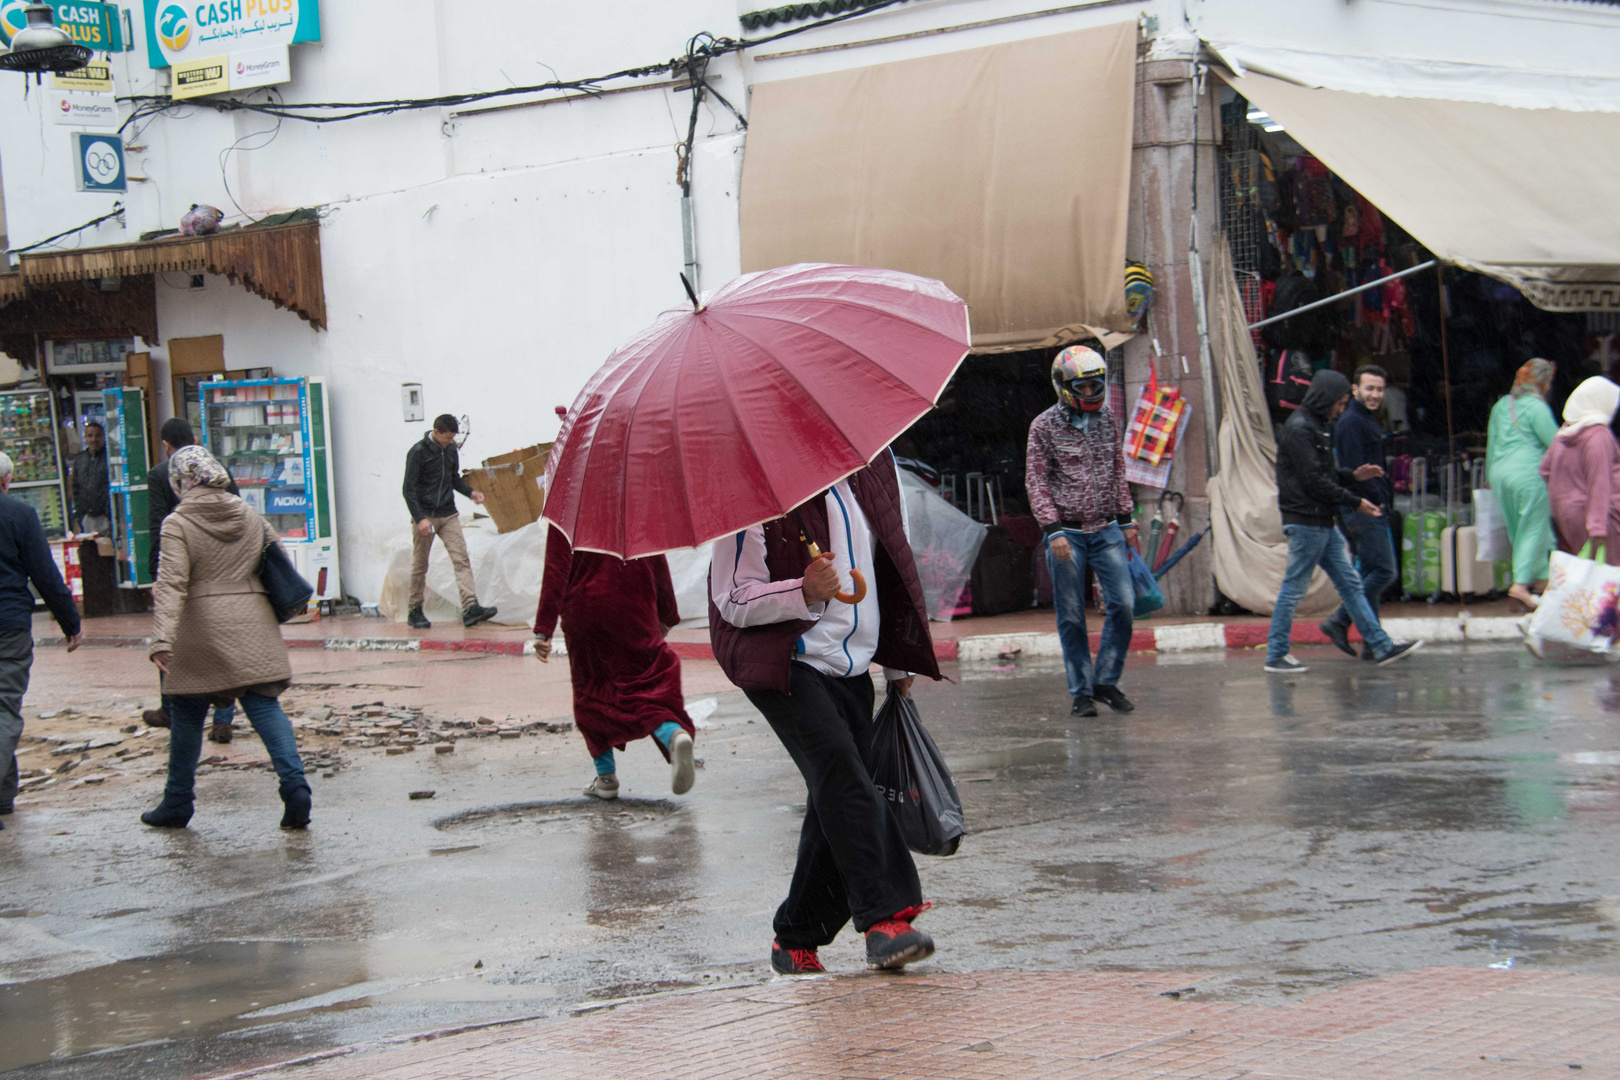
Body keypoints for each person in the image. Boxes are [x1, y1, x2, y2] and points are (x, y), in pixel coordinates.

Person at [709, 451, 940, 976]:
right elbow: (732, 599)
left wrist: (896, 662)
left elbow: (891, 563)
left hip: (850, 662)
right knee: (840, 771)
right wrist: (802, 591)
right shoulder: (754, 491)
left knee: (835, 792)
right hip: (784, 661)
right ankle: (889, 919)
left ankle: (795, 937)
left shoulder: (869, 472)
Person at [141, 445, 311, 830]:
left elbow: (171, 583)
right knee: (266, 706)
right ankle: (295, 786)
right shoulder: (249, 513)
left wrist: (162, 640)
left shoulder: (177, 523)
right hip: (254, 623)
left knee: (186, 711)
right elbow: (277, 557)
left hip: (201, 628)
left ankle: (177, 801)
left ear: (182, 481)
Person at [1266, 370, 1422, 674]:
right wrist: (1355, 500)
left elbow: (1322, 476)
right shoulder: (1300, 429)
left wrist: (1352, 476)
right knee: (1294, 588)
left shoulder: (1315, 425)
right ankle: (1276, 653)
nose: (1341, 408)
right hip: (1307, 521)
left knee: (1351, 584)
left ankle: (1380, 645)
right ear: (1326, 399)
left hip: (1322, 520)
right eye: (1339, 402)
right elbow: (1313, 481)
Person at [532, 526, 695, 799]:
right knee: (646, 681)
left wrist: (543, 629)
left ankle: (605, 777)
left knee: (591, 690)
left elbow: (556, 568)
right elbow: (656, 558)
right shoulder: (635, 501)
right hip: (635, 605)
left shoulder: (569, 506)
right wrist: (667, 613)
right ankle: (671, 733)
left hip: (585, 611)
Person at [1025, 345, 1138, 717]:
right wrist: (1053, 531)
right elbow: (1036, 482)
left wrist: (1127, 519)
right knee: (1072, 615)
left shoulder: (1108, 420)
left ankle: (1106, 680)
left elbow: (1117, 470)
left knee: (1123, 604)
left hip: (1106, 530)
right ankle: (1081, 692)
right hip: (1067, 535)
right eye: (1084, 387)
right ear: (1065, 387)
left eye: (1096, 385)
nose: (1092, 392)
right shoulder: (1043, 426)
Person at [144, 418, 240, 744]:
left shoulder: (159, 476)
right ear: (195, 439)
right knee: (222, 642)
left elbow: (157, 524)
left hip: (181, 569)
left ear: (167, 447)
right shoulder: (218, 470)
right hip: (223, 572)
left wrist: (154, 574)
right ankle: (223, 719)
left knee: (170, 638)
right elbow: (239, 516)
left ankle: (172, 706)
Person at [0, 452, 83, 831]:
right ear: (7, 480)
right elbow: (44, 573)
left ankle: (4, 796)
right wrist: (70, 621)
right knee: (4, 707)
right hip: (9, 625)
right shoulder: (19, 514)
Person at [1320, 365, 1397, 658]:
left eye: (1379, 389)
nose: (1375, 394)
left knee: (1372, 573)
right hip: (1363, 507)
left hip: (1367, 505)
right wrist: (1373, 501)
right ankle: (1339, 621)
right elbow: (1353, 471)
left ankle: (1373, 644)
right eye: (1369, 389)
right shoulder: (1352, 422)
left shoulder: (1364, 419)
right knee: (1384, 572)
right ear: (1355, 390)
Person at [402, 414, 496, 629]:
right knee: (420, 564)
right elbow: (408, 489)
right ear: (436, 433)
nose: (450, 442)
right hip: (427, 517)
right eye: (446, 438)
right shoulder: (418, 452)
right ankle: (414, 609)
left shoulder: (451, 450)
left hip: (448, 514)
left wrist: (470, 492)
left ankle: (470, 607)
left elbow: (454, 478)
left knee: (461, 558)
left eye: (453, 438)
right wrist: (420, 519)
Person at [1486, 359, 1560, 607]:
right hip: (1528, 473)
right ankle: (1520, 585)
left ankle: (1540, 579)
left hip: (1499, 473)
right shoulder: (1537, 408)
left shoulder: (1501, 405)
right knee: (1534, 527)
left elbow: (1492, 443)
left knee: (1518, 529)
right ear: (1542, 382)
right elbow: (1554, 443)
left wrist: (1488, 476)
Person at [1542, 376, 1620, 564]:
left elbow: (1545, 469)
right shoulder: (1598, 436)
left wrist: (1567, 495)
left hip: (1568, 515)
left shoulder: (1565, 431)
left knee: (1591, 574)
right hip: (1601, 518)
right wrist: (1597, 528)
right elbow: (1599, 483)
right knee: (1608, 578)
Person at [69, 421, 110, 535]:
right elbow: (76, 488)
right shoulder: (80, 460)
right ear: (85, 438)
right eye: (90, 435)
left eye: (98, 435)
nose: (94, 439)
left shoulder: (109, 457)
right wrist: (79, 514)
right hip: (87, 517)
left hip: (107, 517)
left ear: (103, 437)